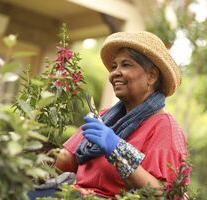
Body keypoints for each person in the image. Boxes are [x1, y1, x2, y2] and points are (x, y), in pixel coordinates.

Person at [54, 31, 187, 199]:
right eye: (114, 66)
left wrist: (116, 149)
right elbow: (66, 160)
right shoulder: (104, 117)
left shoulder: (164, 127)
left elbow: (161, 193)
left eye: (126, 65)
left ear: (151, 76)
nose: (115, 72)